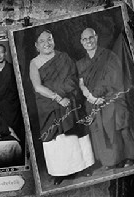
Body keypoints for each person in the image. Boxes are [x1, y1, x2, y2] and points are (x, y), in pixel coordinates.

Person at [76, 27, 134, 170]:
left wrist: (97, 96)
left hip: (111, 96)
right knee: (95, 121)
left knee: (117, 115)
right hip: (92, 99)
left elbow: (113, 80)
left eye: (91, 37)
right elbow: (81, 83)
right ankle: (112, 160)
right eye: (85, 39)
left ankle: (130, 156)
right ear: (81, 42)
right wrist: (89, 96)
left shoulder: (109, 56)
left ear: (96, 37)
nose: (89, 41)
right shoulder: (80, 63)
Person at [28, 29, 94, 181]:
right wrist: (58, 97)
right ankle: (60, 173)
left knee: (76, 134)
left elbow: (73, 76)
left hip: (70, 100)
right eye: (42, 41)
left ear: (54, 40)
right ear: (37, 45)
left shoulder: (63, 56)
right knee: (56, 139)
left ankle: (84, 166)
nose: (47, 44)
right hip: (49, 103)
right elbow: (37, 87)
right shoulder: (34, 63)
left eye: (49, 39)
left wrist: (66, 93)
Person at [0, 44, 23, 143]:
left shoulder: (13, 68)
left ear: (5, 54)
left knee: (16, 133)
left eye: (1, 53)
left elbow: (20, 89)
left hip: (12, 107)